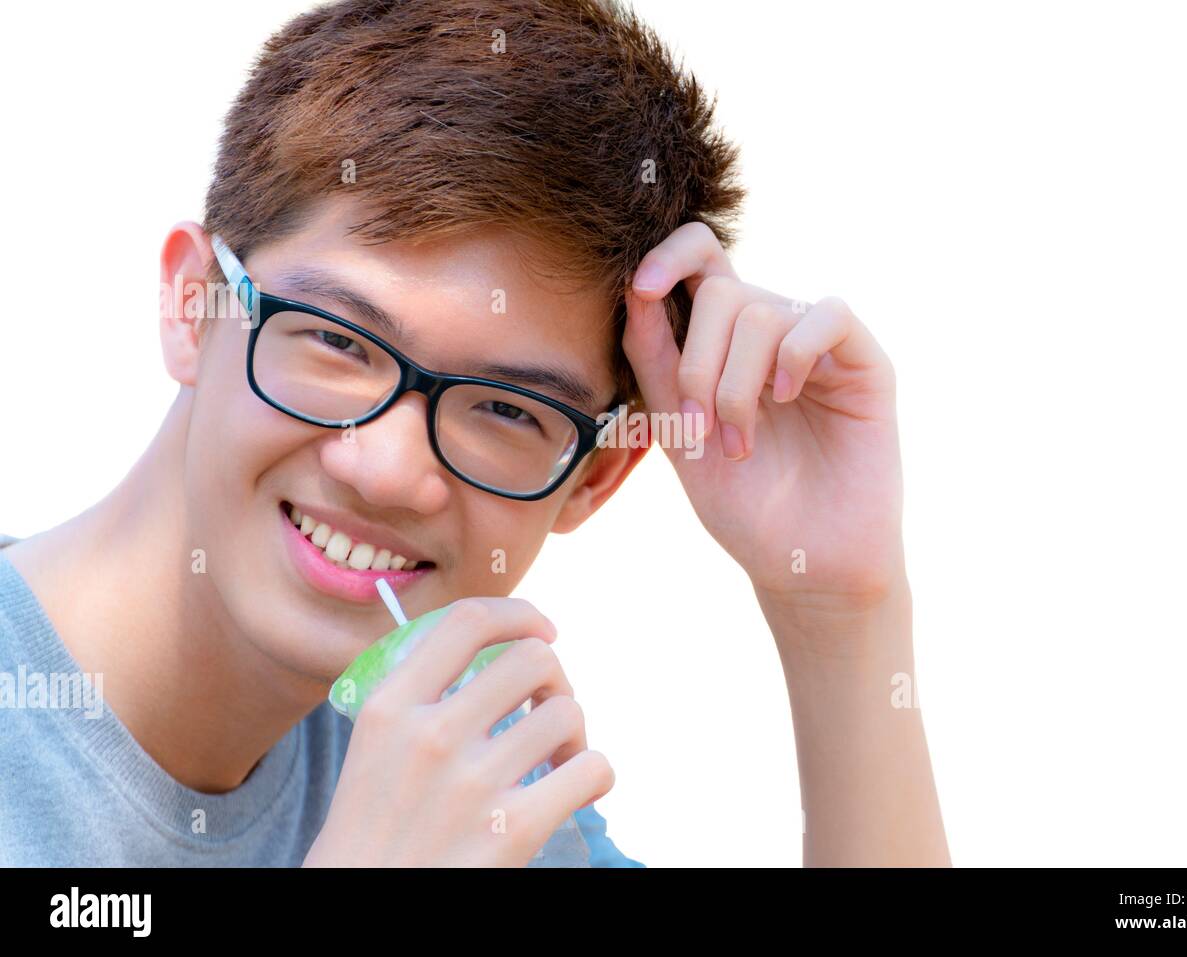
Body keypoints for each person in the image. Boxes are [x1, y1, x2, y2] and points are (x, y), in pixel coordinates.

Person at [0, 0, 948, 867]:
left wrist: (841, 612)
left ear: (595, 477)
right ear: (191, 305)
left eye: (505, 409)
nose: (388, 470)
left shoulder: (462, 776)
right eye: (337, 341)